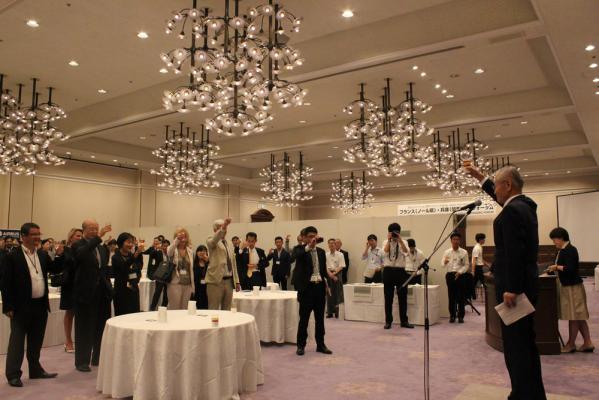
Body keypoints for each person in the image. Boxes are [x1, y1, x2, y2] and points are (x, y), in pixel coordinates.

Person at [466, 163, 546, 399]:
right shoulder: (524, 206)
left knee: (516, 348)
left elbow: (514, 253)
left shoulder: (512, 212)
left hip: (516, 291)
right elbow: (503, 199)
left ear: (508, 185)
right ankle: (531, 394)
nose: (495, 192)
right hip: (526, 286)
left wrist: (512, 288)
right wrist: (481, 177)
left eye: (497, 186)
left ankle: (523, 394)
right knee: (525, 345)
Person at [1, 223, 60, 387]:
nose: (37, 237)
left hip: (40, 305)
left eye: (39, 234)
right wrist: (8, 306)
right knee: (17, 343)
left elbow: (55, 269)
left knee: (36, 341)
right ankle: (13, 374)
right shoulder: (12, 256)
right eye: (34, 234)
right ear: (23, 236)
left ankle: (35, 370)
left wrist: (61, 254)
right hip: (20, 307)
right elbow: (5, 283)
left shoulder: (41, 254)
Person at [72, 219, 113, 372]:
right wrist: (99, 237)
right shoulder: (78, 245)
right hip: (85, 293)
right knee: (84, 327)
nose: (95, 231)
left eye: (96, 228)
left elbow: (104, 268)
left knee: (100, 326)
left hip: (102, 292)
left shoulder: (101, 248)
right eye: (91, 229)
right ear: (83, 229)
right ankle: (82, 361)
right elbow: (81, 255)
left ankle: (97, 357)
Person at [547, 227, 594, 353]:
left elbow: (571, 269)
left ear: (561, 238)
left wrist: (557, 267)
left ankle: (571, 344)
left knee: (573, 317)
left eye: (554, 239)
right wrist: (554, 269)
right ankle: (588, 343)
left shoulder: (570, 250)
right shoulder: (563, 250)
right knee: (578, 317)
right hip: (569, 286)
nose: (554, 242)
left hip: (572, 288)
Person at [292, 226, 332, 356]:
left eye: (315, 236)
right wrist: (308, 247)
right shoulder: (299, 249)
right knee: (304, 319)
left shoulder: (321, 251)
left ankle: (321, 344)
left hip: (319, 288)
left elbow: (323, 270)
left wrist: (327, 285)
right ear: (304, 238)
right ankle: (300, 345)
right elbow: (294, 257)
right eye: (310, 237)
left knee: (320, 319)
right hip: (306, 289)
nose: (313, 239)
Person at [382, 223, 413, 329]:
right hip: (388, 271)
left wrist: (400, 240)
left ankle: (404, 321)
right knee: (388, 298)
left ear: (399, 232)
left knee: (403, 297)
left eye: (397, 232)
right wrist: (389, 240)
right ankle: (388, 321)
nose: (395, 234)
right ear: (389, 232)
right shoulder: (385, 242)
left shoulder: (404, 242)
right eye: (393, 232)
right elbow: (385, 252)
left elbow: (406, 252)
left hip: (401, 272)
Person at [206, 218, 241, 310]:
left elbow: (233, 264)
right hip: (215, 281)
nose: (224, 229)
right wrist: (224, 226)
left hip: (229, 281)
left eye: (225, 227)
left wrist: (237, 281)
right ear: (214, 230)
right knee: (213, 308)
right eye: (220, 227)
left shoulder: (229, 243)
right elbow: (214, 240)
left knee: (227, 309)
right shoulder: (210, 240)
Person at [60, 228, 83, 353]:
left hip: (81, 284)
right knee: (70, 313)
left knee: (80, 313)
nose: (80, 238)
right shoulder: (66, 250)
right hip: (69, 284)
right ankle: (68, 341)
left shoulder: (83, 250)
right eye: (77, 236)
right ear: (71, 237)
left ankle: (80, 341)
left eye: (81, 236)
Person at [112, 232, 143, 316]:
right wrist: (135, 255)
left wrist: (135, 281)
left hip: (133, 290)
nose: (131, 245)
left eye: (132, 242)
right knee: (122, 316)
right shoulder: (116, 257)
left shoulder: (131, 256)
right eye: (128, 242)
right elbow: (123, 267)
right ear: (121, 243)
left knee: (134, 315)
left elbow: (138, 270)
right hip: (121, 291)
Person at [442, 232, 469, 323]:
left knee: (461, 296)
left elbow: (466, 265)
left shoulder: (464, 252)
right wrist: (444, 262)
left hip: (460, 275)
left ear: (459, 241)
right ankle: (452, 315)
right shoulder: (447, 252)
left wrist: (460, 272)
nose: (456, 241)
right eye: (454, 239)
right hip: (450, 275)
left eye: (457, 239)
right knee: (451, 296)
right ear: (451, 241)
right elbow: (442, 265)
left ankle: (461, 316)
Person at [166, 228, 195, 310]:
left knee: (185, 309)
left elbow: (191, 269)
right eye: (180, 237)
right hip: (175, 283)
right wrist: (177, 240)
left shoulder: (190, 251)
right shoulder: (172, 249)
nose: (183, 239)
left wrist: (193, 287)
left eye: (184, 237)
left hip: (188, 284)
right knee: (174, 308)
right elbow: (169, 252)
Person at [325, 238, 345, 318]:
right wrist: (330, 274)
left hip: (337, 273)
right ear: (328, 245)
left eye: (333, 243)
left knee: (337, 293)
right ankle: (329, 312)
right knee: (329, 293)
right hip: (329, 273)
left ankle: (337, 312)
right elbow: (325, 266)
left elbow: (341, 266)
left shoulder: (340, 254)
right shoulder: (326, 254)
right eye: (329, 243)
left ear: (335, 244)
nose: (331, 244)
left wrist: (334, 274)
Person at [148, 239, 169, 310]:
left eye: (167, 246)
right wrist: (155, 247)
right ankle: (152, 308)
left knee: (166, 294)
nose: (165, 248)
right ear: (161, 246)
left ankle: (163, 308)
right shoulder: (158, 253)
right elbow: (151, 254)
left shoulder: (170, 254)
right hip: (159, 275)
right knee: (157, 292)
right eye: (164, 246)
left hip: (168, 275)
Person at [471, 233, 488, 300]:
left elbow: (480, 259)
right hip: (477, 268)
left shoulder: (480, 247)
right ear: (480, 239)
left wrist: (487, 264)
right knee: (484, 282)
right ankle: (472, 297)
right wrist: (473, 271)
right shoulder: (477, 248)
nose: (484, 240)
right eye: (484, 239)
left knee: (474, 283)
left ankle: (472, 297)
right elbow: (474, 260)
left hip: (479, 267)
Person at [193, 245, 209, 309]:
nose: (202, 252)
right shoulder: (193, 264)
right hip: (196, 289)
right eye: (200, 251)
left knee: (206, 307)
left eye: (204, 251)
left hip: (206, 289)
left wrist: (208, 261)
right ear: (197, 252)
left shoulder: (209, 264)